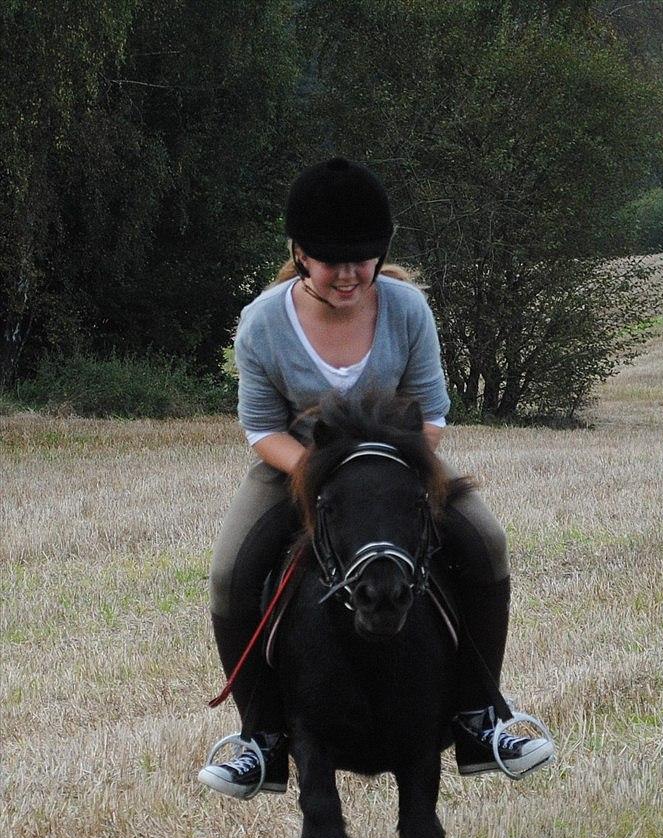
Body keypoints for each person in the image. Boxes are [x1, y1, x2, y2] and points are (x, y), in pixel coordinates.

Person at [198, 157, 554, 799]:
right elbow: (258, 428)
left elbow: (432, 411)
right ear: (299, 254)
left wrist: (385, 472)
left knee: (487, 543)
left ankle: (480, 718)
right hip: (298, 470)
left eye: (362, 259)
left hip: (397, 466)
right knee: (230, 573)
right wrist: (321, 472)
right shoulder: (262, 323)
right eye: (332, 260)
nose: (348, 274)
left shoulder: (408, 309)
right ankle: (262, 739)